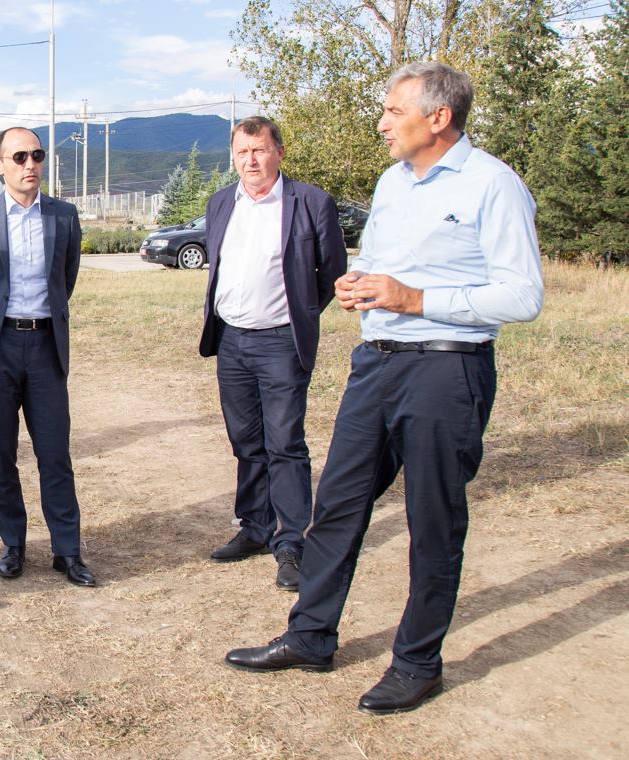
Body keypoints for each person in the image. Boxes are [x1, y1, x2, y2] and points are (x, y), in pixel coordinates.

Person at [225, 62, 544, 714]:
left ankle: (418, 663)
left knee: (433, 521)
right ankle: (310, 636)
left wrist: (416, 298)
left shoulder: (494, 185)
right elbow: (375, 262)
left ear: (438, 117)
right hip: (375, 364)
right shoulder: (393, 182)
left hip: (447, 369)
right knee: (337, 502)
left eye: (394, 111)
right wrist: (358, 282)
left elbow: (523, 295)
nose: (381, 124)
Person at [198, 116, 347, 590]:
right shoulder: (221, 203)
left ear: (279, 152)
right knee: (246, 441)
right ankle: (254, 528)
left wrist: (297, 312)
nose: (251, 161)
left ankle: (291, 543)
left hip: (281, 341)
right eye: (242, 153)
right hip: (232, 341)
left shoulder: (311, 202)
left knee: (284, 443)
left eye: (259, 150)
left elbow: (330, 273)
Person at [0, 127, 95, 586]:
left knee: (55, 455)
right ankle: (13, 544)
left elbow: (65, 279)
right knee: (0, 455)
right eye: (19, 157)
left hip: (45, 349)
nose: (30, 164)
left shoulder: (64, 216)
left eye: (36, 155)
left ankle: (67, 551)